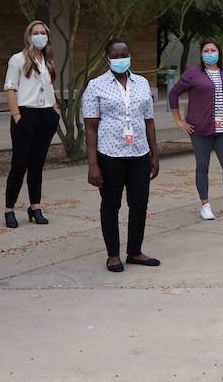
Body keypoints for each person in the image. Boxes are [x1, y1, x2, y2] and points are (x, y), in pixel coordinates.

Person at [83, 39, 160, 272]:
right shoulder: (96, 86)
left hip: (139, 153)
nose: (121, 59)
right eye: (115, 56)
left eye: (124, 54)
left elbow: (149, 122)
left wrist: (154, 156)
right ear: (107, 59)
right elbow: (90, 128)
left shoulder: (142, 83)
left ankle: (135, 251)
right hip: (109, 155)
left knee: (139, 204)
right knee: (110, 204)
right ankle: (113, 254)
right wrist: (93, 164)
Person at [168, 38, 223, 221]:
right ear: (201, 54)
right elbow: (173, 93)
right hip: (199, 129)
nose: (210, 54)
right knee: (202, 167)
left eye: (213, 50)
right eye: (206, 51)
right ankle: (205, 206)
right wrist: (179, 120)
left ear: (219, 52)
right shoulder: (192, 73)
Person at [3, 20, 61, 228]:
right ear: (29, 36)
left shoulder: (48, 59)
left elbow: (48, 87)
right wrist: (17, 116)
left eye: (43, 33)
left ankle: (35, 206)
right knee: (19, 164)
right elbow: (10, 89)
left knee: (37, 164)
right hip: (25, 114)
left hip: (46, 115)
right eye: (35, 33)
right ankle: (9, 209)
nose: (39, 36)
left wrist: (55, 111)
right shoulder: (17, 60)